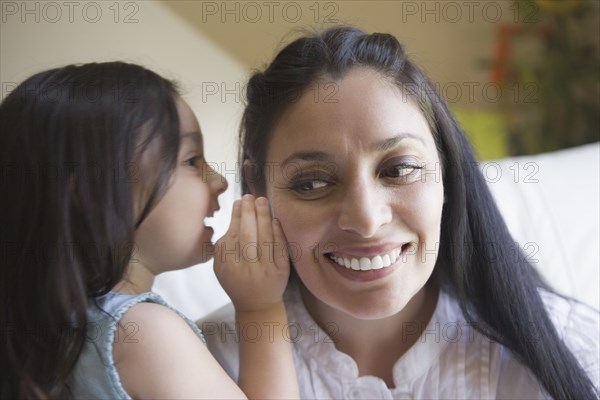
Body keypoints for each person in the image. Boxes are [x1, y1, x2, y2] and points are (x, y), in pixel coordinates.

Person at [203, 26, 600, 399]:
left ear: (445, 168)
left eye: (399, 170)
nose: (365, 220)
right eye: (311, 183)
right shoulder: (202, 363)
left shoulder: (574, 346)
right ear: (259, 189)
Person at [0, 62, 298, 399]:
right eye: (191, 161)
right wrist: (260, 309)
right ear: (90, 193)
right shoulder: (144, 332)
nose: (219, 181)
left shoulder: (55, 334)